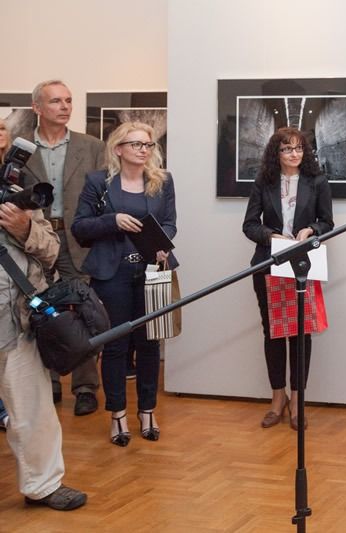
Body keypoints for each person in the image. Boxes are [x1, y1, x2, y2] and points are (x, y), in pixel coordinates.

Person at [72, 122, 177, 447]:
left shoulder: (162, 181)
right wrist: (112, 220)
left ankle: (147, 411)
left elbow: (170, 222)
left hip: (152, 271)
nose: (143, 150)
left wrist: (163, 243)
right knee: (115, 347)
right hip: (111, 274)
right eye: (136, 144)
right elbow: (80, 227)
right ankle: (117, 414)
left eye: (147, 145)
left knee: (150, 344)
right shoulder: (98, 182)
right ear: (118, 149)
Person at [0, 191, 87, 509]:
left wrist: (25, 229)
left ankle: (43, 485)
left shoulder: (15, 197)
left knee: (33, 409)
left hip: (17, 322)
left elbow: (51, 251)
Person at [23, 80, 105, 416]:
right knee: (39, 308)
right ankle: (50, 381)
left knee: (81, 311)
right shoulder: (21, 148)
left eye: (68, 100)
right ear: (37, 108)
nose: (65, 106)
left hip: (77, 240)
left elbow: (104, 196)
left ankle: (85, 387)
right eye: (56, 101)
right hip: (33, 240)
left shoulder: (92, 147)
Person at [243, 127, 334, 430]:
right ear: (276, 153)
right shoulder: (263, 182)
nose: (294, 154)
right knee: (273, 333)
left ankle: (297, 400)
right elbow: (249, 225)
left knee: (300, 333)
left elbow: (327, 222)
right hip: (269, 263)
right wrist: (271, 236)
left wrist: (311, 230)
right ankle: (277, 398)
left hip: (302, 265)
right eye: (286, 149)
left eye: (298, 148)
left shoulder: (317, 181)